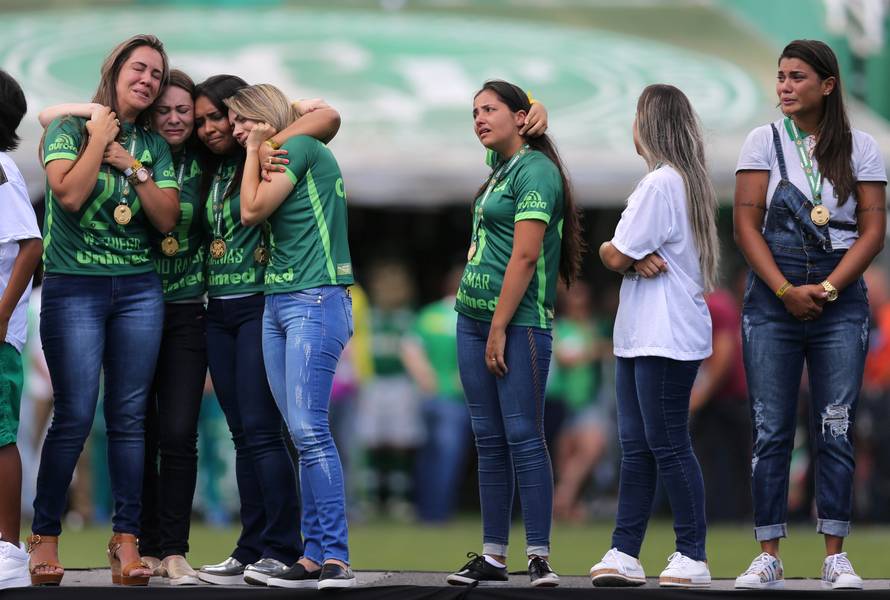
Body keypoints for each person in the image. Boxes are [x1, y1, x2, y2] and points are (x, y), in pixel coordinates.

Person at [732, 39, 886, 590]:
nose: (784, 86)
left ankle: (835, 555)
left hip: (838, 300)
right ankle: (769, 553)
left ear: (828, 84)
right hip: (772, 300)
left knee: (836, 427)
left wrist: (823, 287)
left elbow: (873, 233)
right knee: (771, 430)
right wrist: (783, 290)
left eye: (797, 77)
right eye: (780, 77)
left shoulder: (862, 146)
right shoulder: (762, 140)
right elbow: (745, 225)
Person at [29, 34, 180, 587]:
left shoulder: (155, 144)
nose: (147, 80)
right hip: (75, 289)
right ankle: (44, 538)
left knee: (130, 420)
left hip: (138, 290)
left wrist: (129, 162)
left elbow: (166, 219)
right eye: (138, 69)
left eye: (156, 75)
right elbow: (67, 194)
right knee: (72, 415)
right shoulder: (69, 129)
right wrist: (99, 139)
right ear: (115, 71)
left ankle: (126, 542)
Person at [192, 75, 341, 587]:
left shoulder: (278, 148)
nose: (220, 129)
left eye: (226, 116)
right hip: (222, 308)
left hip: (273, 298)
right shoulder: (213, 163)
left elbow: (325, 114)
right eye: (209, 120)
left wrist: (264, 131)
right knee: (244, 433)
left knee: (271, 431)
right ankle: (253, 545)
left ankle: (289, 546)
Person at [447, 80, 583, 588]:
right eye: (475, 111)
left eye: (490, 110)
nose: (479, 118)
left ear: (519, 118)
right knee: (489, 440)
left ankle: (540, 557)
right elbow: (527, 119)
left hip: (519, 323)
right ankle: (493, 556)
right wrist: (535, 108)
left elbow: (526, 256)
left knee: (525, 436)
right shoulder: (501, 165)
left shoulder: (538, 171)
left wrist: (499, 327)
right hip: (470, 318)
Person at [227, 83, 355, 589]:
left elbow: (251, 210)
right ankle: (311, 555)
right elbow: (323, 112)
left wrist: (258, 146)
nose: (236, 130)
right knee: (299, 434)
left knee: (309, 431)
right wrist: (267, 135)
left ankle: (337, 560)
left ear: (262, 118)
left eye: (242, 120)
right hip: (279, 301)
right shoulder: (287, 143)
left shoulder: (294, 149)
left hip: (316, 298)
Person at [592, 83, 718, 589]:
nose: (632, 127)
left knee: (664, 443)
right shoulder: (683, 183)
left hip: (662, 334)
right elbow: (628, 255)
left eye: (636, 117)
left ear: (650, 126)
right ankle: (625, 551)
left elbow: (615, 255)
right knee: (639, 446)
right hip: (645, 333)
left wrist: (615, 251)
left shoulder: (660, 184)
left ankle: (692, 553)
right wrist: (625, 254)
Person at [0, 70, 42, 591]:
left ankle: (9, 550)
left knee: (0, 435)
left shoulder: (2, 170)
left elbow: (30, 245)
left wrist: (2, 314)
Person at [402, 265, 471, 524]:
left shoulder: (428, 315)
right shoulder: (467, 315)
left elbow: (409, 348)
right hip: (454, 397)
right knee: (449, 457)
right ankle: (439, 513)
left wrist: (425, 378)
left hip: (428, 396)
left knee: (428, 454)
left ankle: (424, 508)